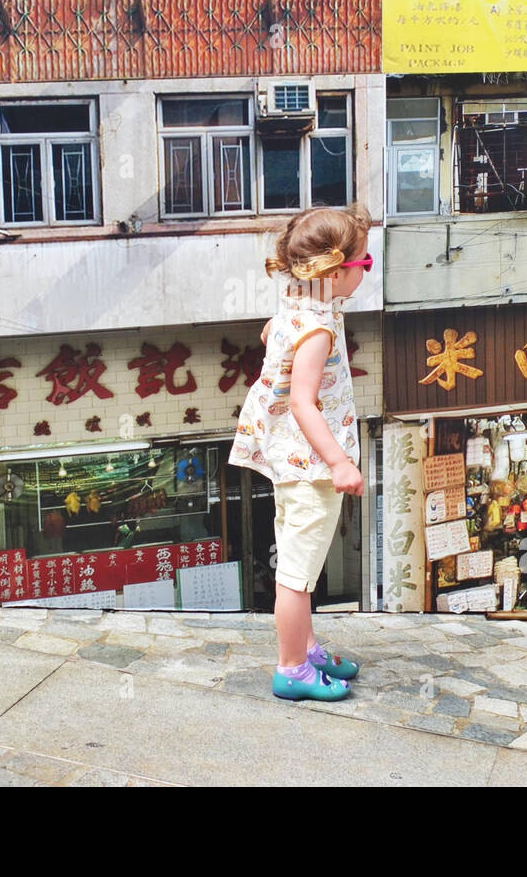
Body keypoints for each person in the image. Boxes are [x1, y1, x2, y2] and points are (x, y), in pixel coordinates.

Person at [230, 203, 371, 701]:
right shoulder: (317, 330)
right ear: (335, 271)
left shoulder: (298, 307)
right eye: (364, 264)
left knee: (299, 564)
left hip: (289, 460)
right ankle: (291, 668)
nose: (366, 271)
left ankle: (306, 648)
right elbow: (302, 401)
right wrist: (340, 461)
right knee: (296, 574)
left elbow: (271, 334)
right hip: (311, 466)